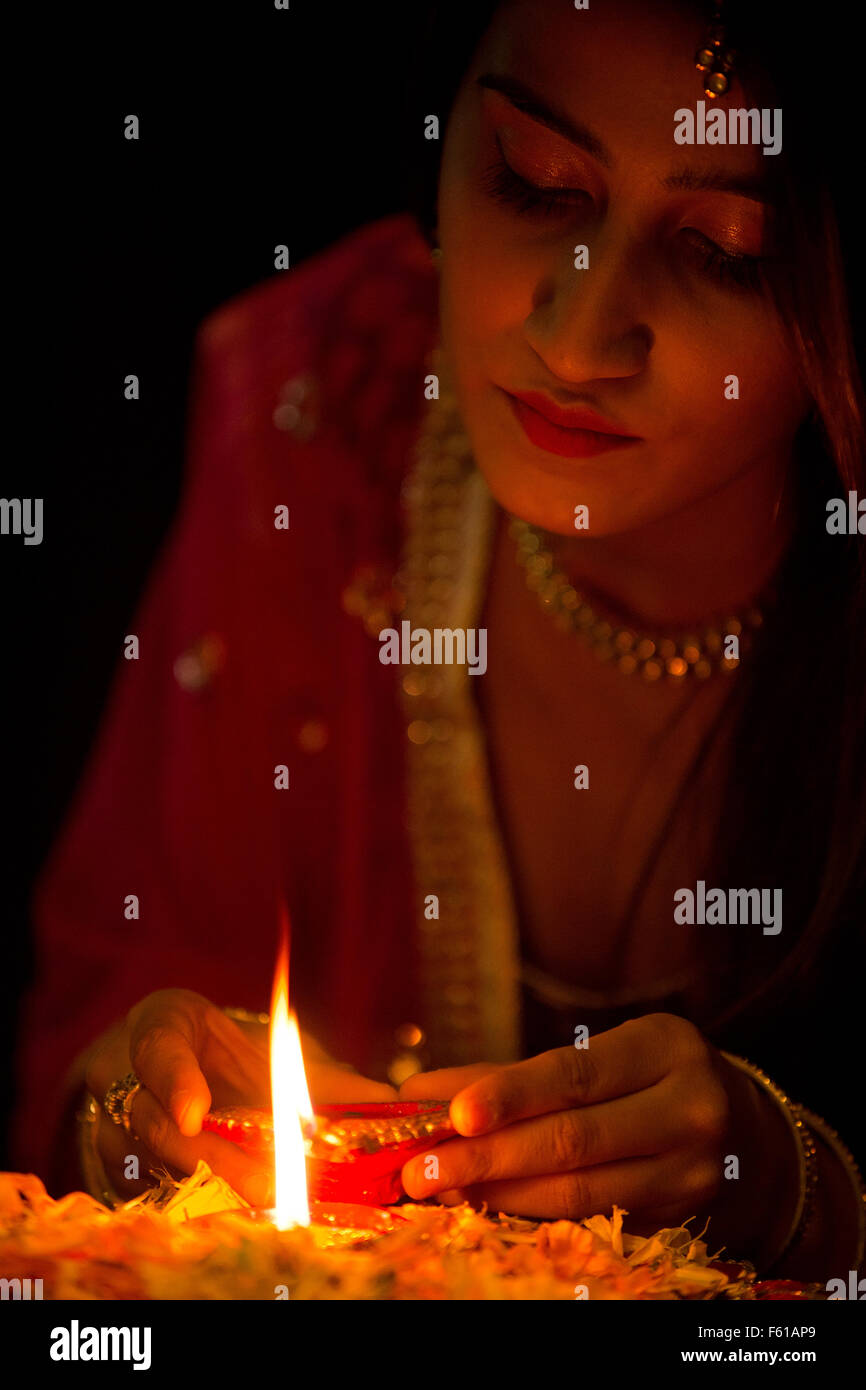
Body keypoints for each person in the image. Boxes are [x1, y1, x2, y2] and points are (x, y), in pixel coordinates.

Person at [14, 0, 864, 1281]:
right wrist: (136, 1121)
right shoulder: (327, 423)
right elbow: (98, 1025)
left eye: (728, 252)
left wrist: (793, 1187)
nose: (576, 339)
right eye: (532, 184)